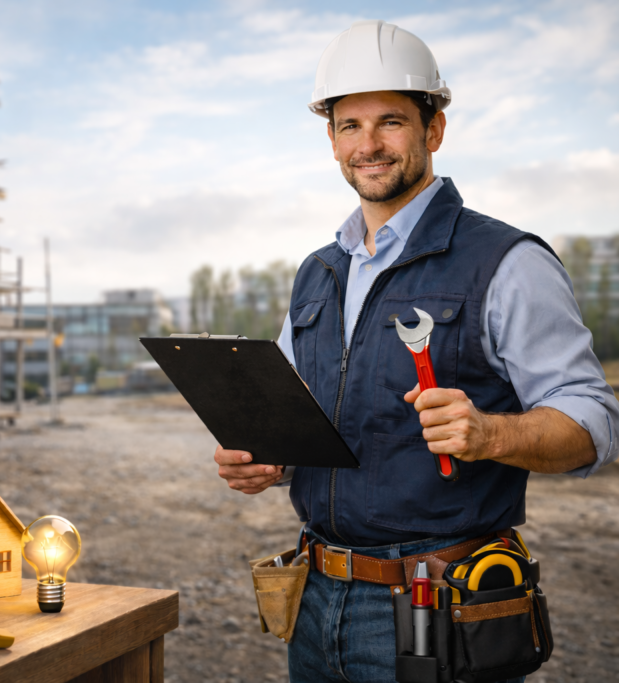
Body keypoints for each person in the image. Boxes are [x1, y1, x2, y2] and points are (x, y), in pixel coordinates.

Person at [213, 19, 619, 683]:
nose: (368, 145)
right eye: (350, 125)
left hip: (441, 602)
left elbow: (596, 420)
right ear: (331, 138)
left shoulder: (507, 261)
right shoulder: (317, 272)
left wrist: (492, 432)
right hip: (314, 600)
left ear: (434, 129)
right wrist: (269, 459)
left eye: (391, 122)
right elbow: (303, 419)